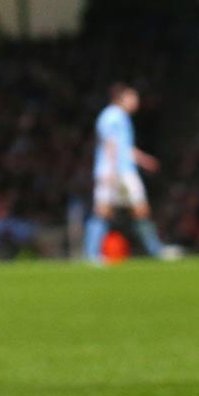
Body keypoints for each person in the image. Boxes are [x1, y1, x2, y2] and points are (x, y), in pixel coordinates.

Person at [84, 84, 169, 264]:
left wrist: (144, 160)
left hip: (123, 169)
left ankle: (155, 250)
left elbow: (124, 147)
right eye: (132, 98)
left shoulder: (122, 117)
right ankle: (91, 255)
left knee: (139, 210)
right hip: (116, 171)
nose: (136, 102)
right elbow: (110, 145)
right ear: (120, 98)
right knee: (103, 211)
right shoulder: (111, 116)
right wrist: (111, 171)